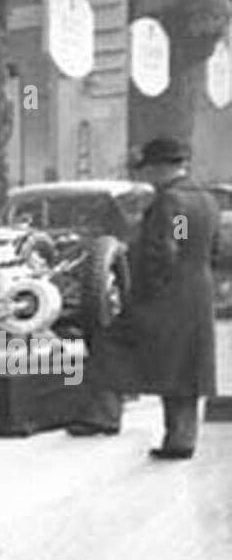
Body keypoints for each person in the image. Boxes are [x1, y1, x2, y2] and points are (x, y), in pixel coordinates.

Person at [68, 137, 220, 457]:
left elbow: (169, 245)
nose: (146, 176)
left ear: (161, 168)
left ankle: (103, 415)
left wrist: (146, 287)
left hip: (167, 294)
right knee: (185, 368)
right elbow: (210, 246)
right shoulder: (206, 200)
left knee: (111, 343)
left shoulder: (173, 203)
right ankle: (181, 439)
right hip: (198, 291)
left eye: (148, 169)